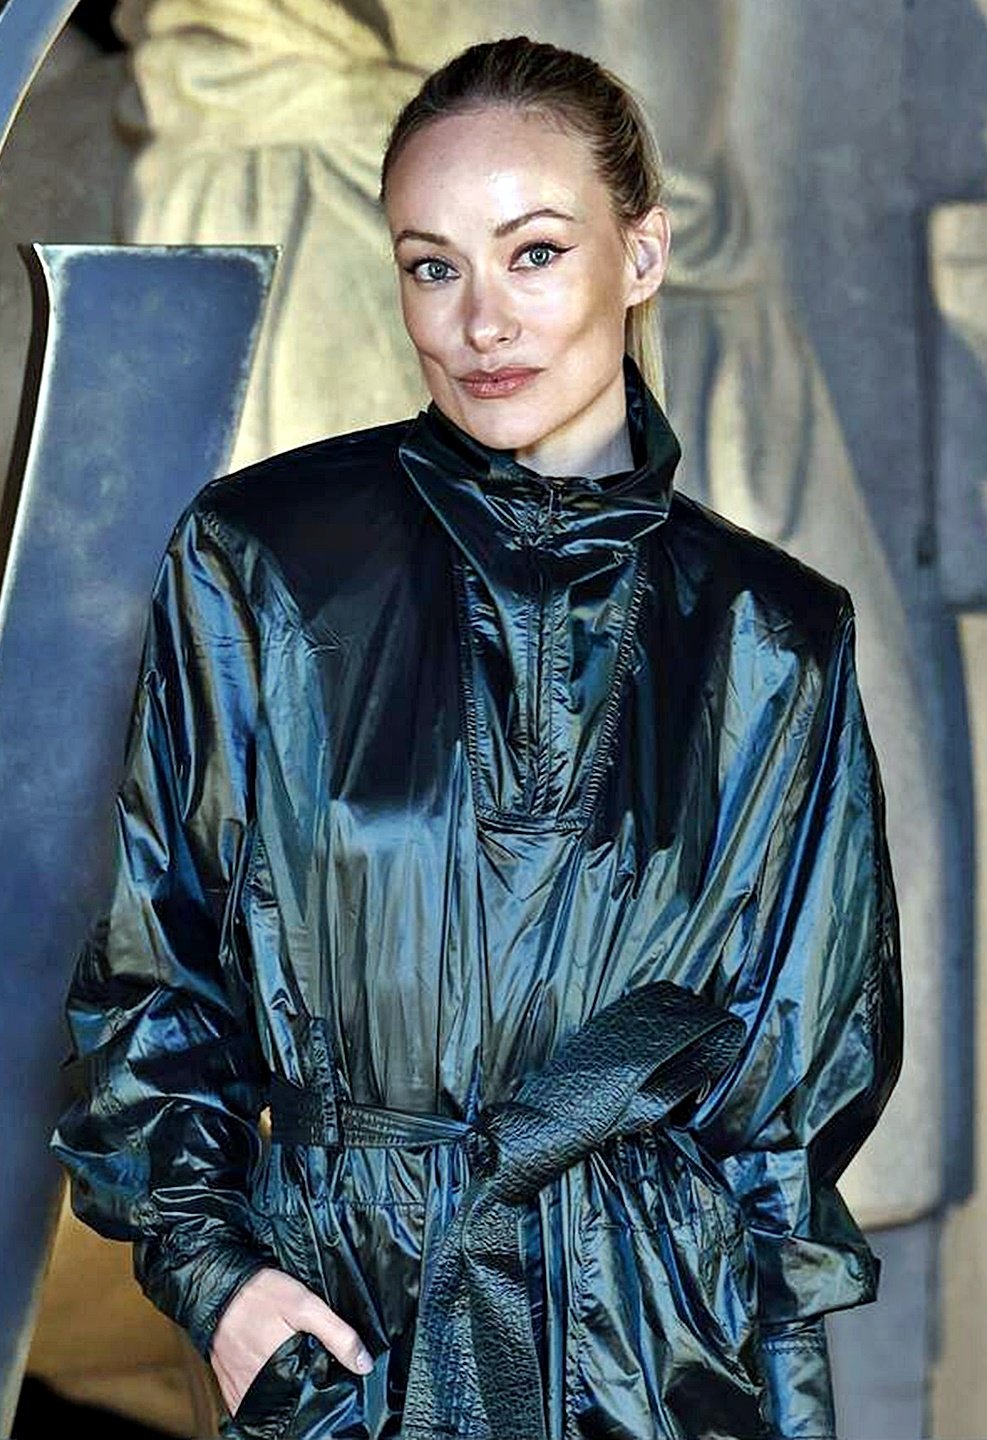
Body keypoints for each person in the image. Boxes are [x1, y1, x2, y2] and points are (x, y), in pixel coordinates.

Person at [51, 35, 903, 1440]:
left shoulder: (776, 636)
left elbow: (790, 1120)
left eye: (534, 253)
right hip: (354, 1346)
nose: (479, 323)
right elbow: (158, 973)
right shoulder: (261, 566)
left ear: (642, 254)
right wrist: (222, 1288)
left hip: (657, 1362)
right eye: (432, 266)